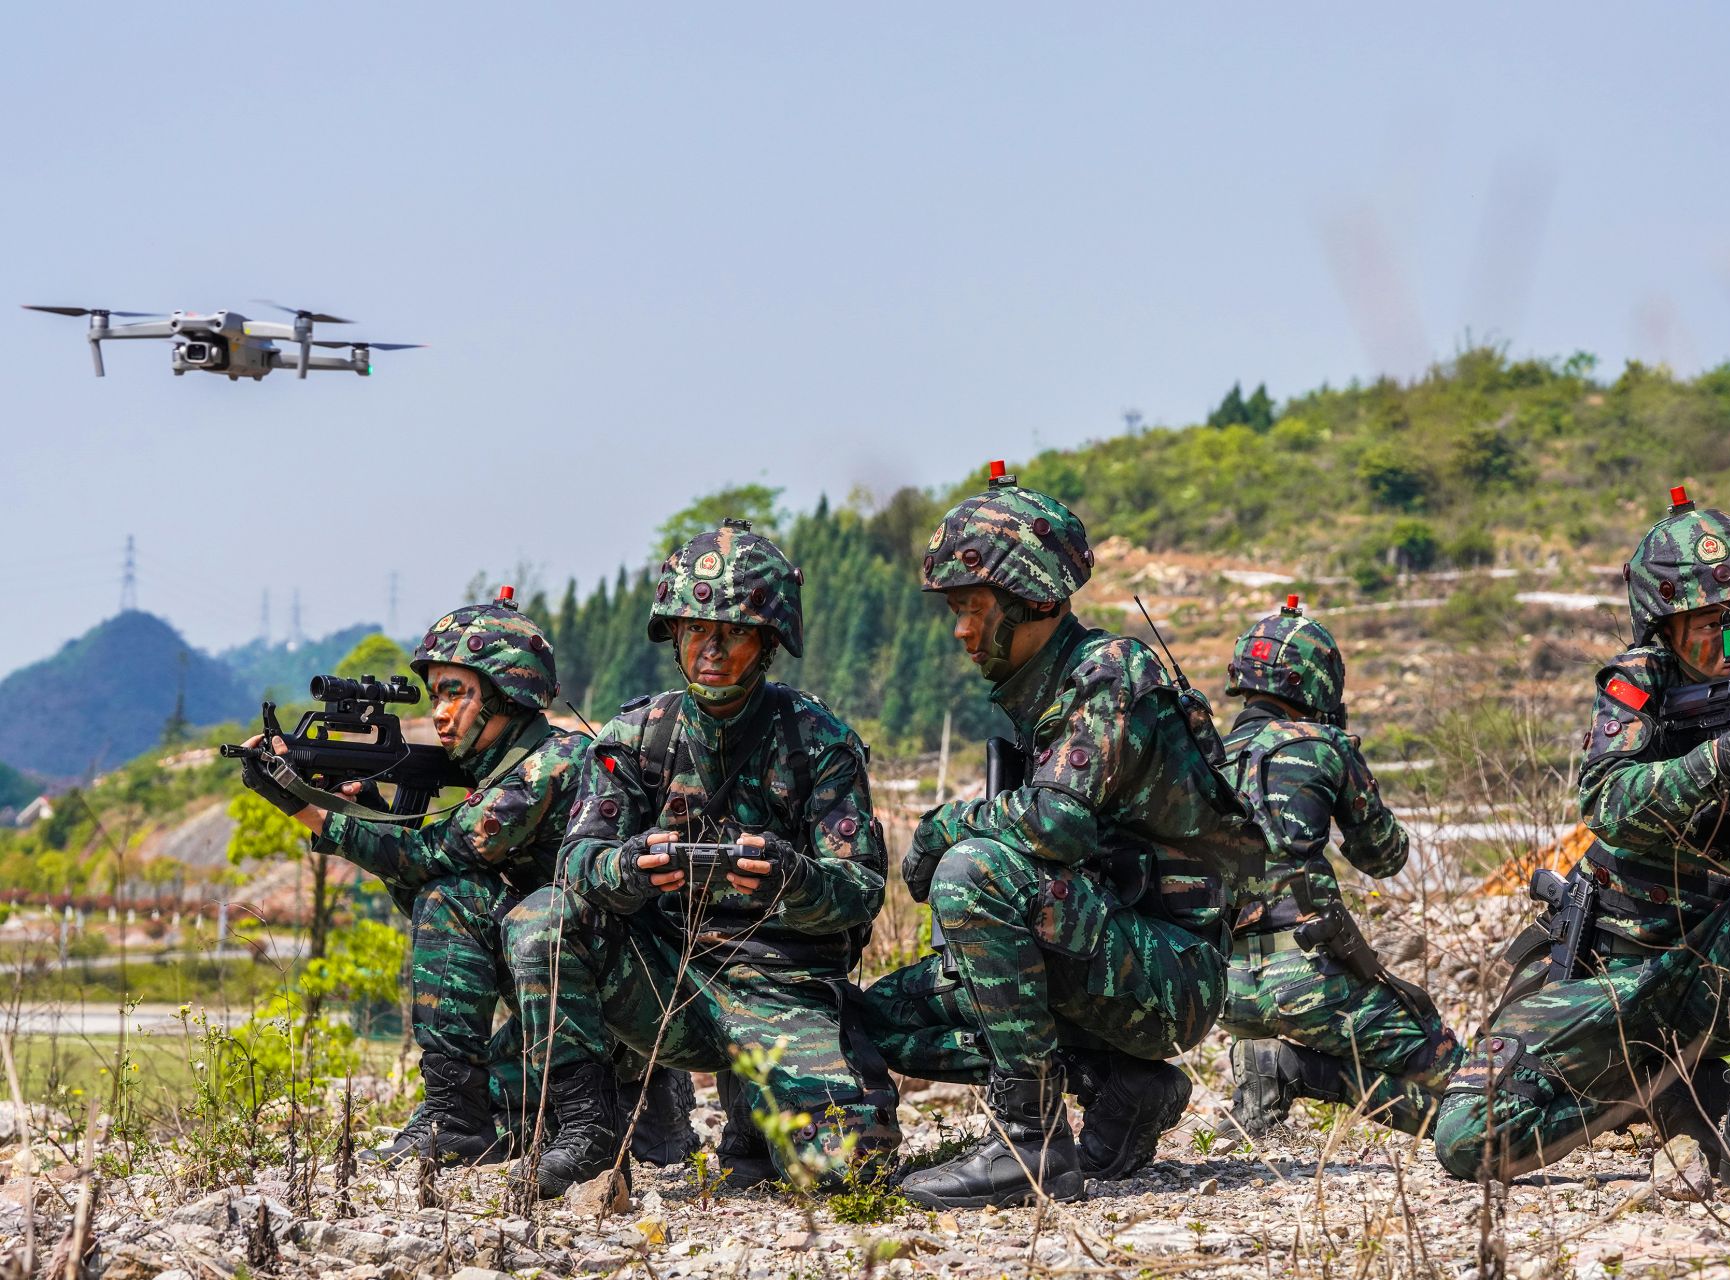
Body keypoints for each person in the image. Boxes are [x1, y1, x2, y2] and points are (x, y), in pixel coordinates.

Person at [862, 463, 1266, 1209]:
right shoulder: (1048, 693)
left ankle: (1029, 1142)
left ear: (1033, 601)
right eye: (955, 608)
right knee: (875, 1019)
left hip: (1171, 972)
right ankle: (1119, 1085)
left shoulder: (1107, 672)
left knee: (972, 871)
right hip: (1116, 954)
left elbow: (1057, 820)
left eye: (974, 607)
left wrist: (945, 825)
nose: (959, 629)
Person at [1432, 489, 1730, 1190]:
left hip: (1720, 959)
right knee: (1469, 1138)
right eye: (1702, 623)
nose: (1723, 639)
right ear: (1661, 625)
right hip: (1618, 969)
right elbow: (1607, 802)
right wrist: (1722, 756)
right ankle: (1659, 1090)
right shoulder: (1641, 683)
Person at [507, 520, 898, 1199]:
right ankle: (586, 1129)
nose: (711, 650)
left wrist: (791, 875)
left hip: (783, 984)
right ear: (675, 636)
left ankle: (755, 1117)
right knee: (542, 920)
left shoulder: (817, 740)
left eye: (735, 633)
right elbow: (576, 864)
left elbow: (861, 888)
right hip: (668, 981)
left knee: (845, 1175)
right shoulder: (637, 737)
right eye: (695, 630)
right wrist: (628, 869)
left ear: (769, 643)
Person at [237, 591, 694, 1170]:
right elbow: (427, 884)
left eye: (457, 692)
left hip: (628, 1002)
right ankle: (636, 1106)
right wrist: (368, 807)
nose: (441, 712)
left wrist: (308, 808)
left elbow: (434, 856)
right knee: (499, 1098)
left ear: (506, 694)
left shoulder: (547, 767)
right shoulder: (506, 767)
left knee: (452, 900)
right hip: (575, 1004)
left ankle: (480, 1120)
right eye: (435, 695)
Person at [1217, 600, 1461, 1139]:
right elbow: (1385, 856)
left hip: (1223, 990)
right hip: (1309, 979)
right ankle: (1302, 1072)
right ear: (1318, 681)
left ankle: (1264, 1061)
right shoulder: (1322, 745)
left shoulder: (1200, 757)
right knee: (1471, 1094)